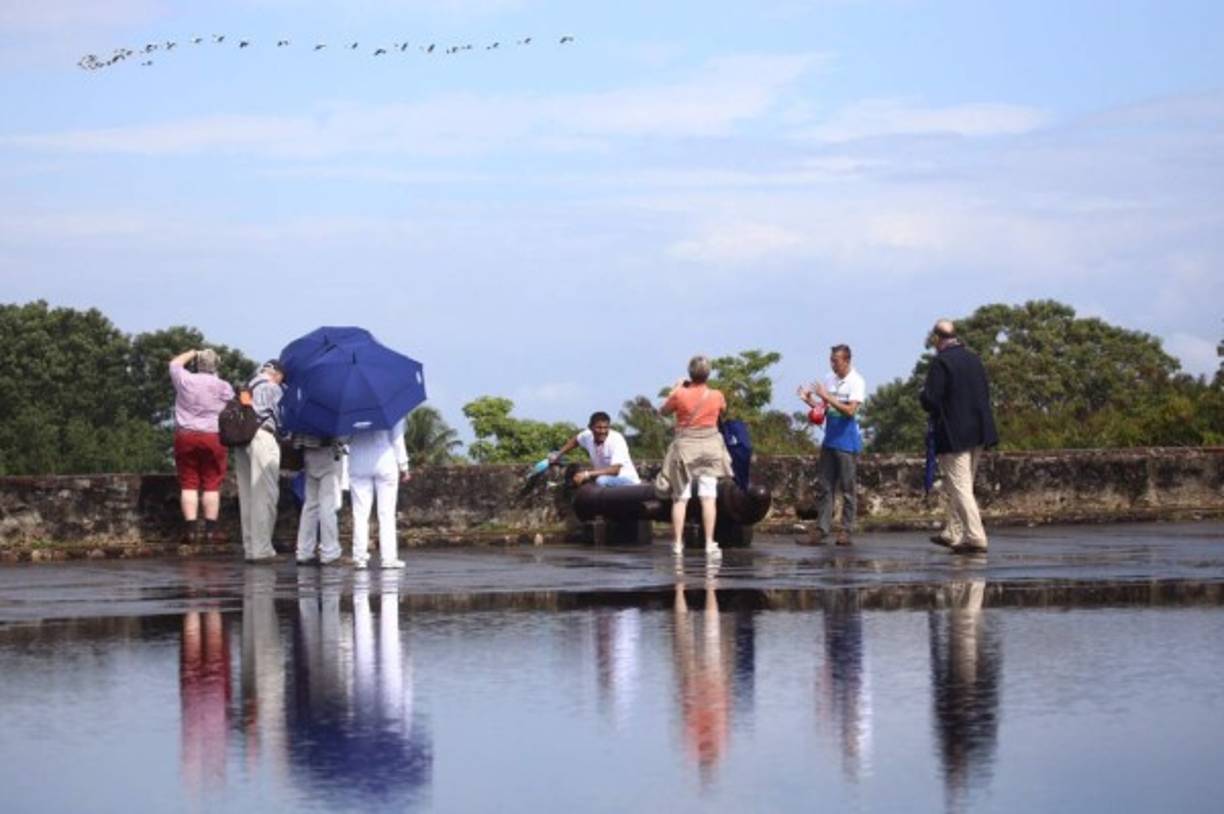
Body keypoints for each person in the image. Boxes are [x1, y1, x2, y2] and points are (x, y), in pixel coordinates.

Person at [920, 320, 999, 554]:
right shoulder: (973, 359)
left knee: (960, 485)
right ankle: (953, 531)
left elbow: (932, 399)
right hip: (978, 429)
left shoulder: (941, 362)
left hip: (954, 432)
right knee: (962, 485)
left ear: (937, 338)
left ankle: (975, 535)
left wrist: (922, 396)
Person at [657, 355, 733, 558]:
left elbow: (662, 411)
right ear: (708, 373)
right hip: (710, 445)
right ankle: (709, 543)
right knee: (709, 497)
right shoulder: (716, 394)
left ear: (690, 373)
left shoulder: (680, 394)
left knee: (680, 498)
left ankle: (677, 544)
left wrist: (676, 389)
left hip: (686, 446)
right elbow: (723, 411)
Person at [798, 344, 866, 545]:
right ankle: (822, 529)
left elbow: (850, 411)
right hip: (830, 440)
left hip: (847, 442)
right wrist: (809, 401)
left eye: (836, 360)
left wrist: (827, 396)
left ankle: (846, 530)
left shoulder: (856, 381)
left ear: (846, 360)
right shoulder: (830, 379)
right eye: (831, 360)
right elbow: (825, 410)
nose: (833, 364)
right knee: (825, 487)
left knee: (847, 488)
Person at [169, 349, 235, 544]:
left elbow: (174, 363)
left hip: (186, 435)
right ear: (217, 365)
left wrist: (192, 352)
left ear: (197, 364)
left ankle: (190, 531)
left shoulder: (185, 380)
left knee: (189, 483)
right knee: (211, 484)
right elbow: (232, 405)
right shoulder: (223, 386)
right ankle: (210, 532)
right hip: (213, 436)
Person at [234, 360, 285, 562]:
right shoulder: (272, 388)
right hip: (263, 436)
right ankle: (262, 550)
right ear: (277, 374)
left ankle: (250, 547)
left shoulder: (248, 386)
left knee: (247, 496)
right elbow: (280, 418)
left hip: (242, 440)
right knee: (266, 494)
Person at [347, 417, 410, 569]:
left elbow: (343, 438)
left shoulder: (350, 408)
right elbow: (397, 438)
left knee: (360, 514)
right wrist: (404, 466)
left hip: (358, 460)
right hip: (385, 459)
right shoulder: (390, 408)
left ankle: (359, 557)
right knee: (387, 513)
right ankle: (389, 558)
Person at [550, 411, 641, 487]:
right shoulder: (587, 435)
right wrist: (558, 454)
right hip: (607, 479)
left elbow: (615, 471)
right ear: (591, 427)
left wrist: (587, 474)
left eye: (606, 428)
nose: (603, 431)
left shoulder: (616, 439)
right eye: (599, 428)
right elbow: (575, 441)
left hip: (627, 480)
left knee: (601, 481)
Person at [294, 436, 346, 565]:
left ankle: (304, 551)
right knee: (328, 504)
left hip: (309, 454)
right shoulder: (331, 415)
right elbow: (343, 437)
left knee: (310, 504)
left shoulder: (303, 416)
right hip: (328, 452)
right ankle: (330, 552)